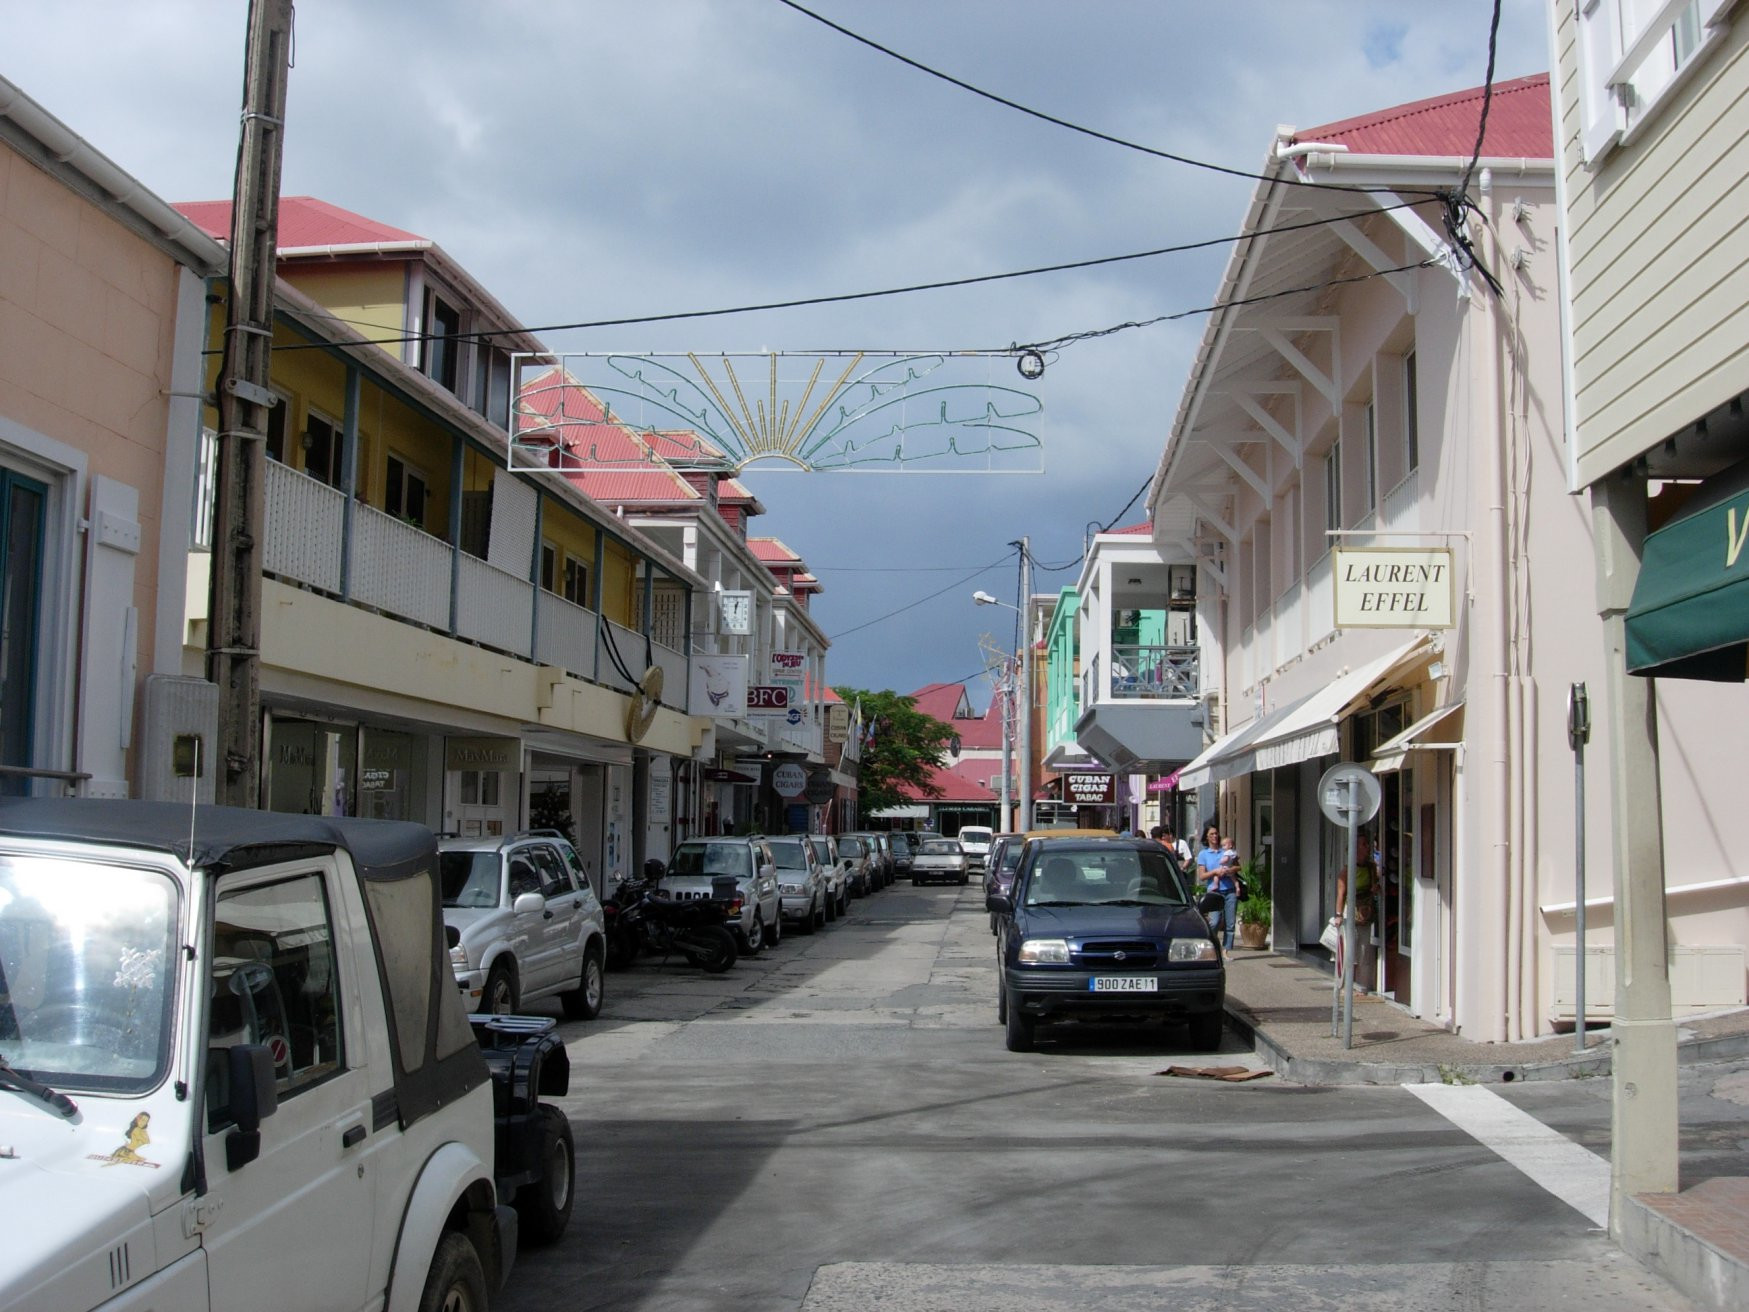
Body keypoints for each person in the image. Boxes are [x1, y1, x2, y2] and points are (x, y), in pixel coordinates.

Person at [1334, 830, 1380, 993]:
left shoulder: (1371, 868)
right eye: (1363, 844)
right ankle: (1347, 986)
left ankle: (1362, 987)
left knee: (1364, 951)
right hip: (1350, 913)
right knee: (1349, 949)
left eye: (1367, 844)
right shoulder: (1346, 871)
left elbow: (1376, 888)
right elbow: (1341, 894)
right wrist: (1338, 916)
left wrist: (1375, 889)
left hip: (1365, 913)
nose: (1367, 847)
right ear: (1355, 849)